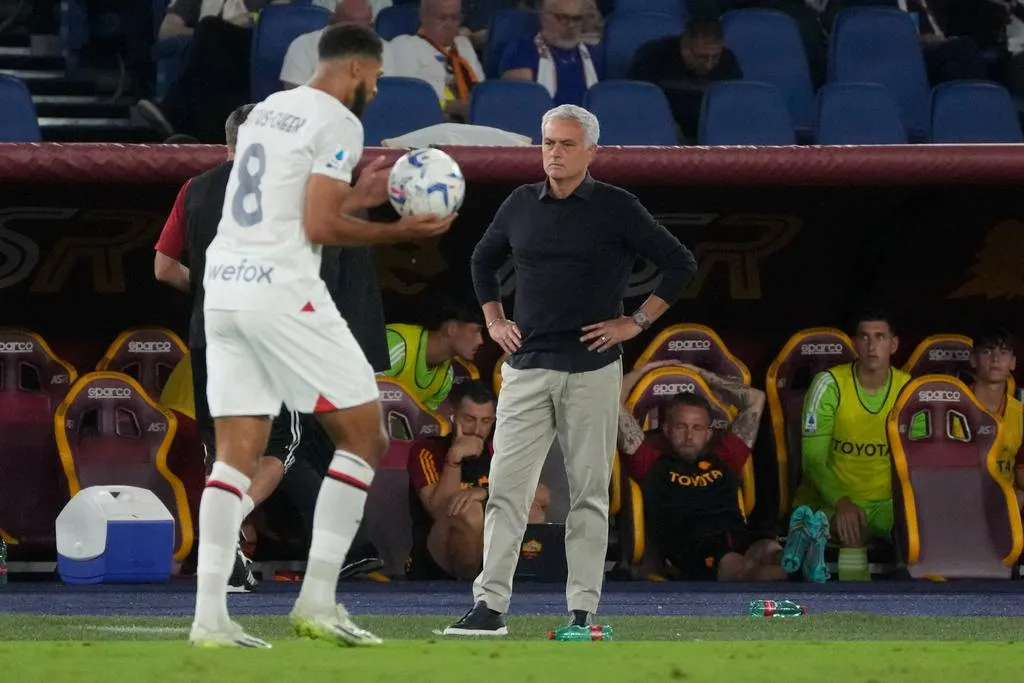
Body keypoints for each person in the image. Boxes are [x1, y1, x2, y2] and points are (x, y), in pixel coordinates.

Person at [191, 24, 456, 649]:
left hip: (224, 293)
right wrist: (400, 231)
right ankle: (316, 601)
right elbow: (317, 223)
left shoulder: (269, 110)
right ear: (360, 69)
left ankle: (209, 620)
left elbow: (292, 201)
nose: (376, 88)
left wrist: (356, 195)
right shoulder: (338, 120)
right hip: (281, 291)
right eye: (377, 77)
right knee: (366, 438)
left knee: (234, 457)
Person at [443, 104, 697, 636]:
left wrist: (636, 322)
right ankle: (490, 607)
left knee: (588, 493)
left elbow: (680, 263)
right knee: (507, 490)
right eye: (547, 143)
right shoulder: (519, 203)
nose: (553, 153)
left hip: (591, 370)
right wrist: (493, 321)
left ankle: (583, 610)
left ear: (590, 152)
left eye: (564, 144)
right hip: (527, 367)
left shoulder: (616, 206)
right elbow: (480, 260)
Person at [616, 361, 789, 582]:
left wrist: (699, 374)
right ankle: (799, 569)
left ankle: (796, 560)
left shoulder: (725, 456)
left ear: (708, 433)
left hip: (739, 535)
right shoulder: (649, 462)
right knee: (744, 568)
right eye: (681, 427)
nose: (689, 436)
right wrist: (643, 372)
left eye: (697, 428)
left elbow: (756, 399)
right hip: (693, 548)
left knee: (769, 549)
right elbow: (612, 401)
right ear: (666, 430)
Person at [789, 310, 911, 582]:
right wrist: (842, 501)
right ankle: (849, 606)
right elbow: (813, 460)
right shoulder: (829, 385)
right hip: (831, 500)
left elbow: (918, 461)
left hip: (886, 504)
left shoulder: (908, 389)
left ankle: (914, 603)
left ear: (893, 344)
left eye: (880, 337)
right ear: (854, 343)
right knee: (852, 527)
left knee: (917, 531)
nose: (871, 346)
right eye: (864, 337)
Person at [408, 380, 550, 580]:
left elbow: (543, 495)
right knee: (470, 511)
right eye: (469, 418)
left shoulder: (497, 451)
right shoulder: (428, 451)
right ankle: (466, 590)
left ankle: (517, 586)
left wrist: (486, 492)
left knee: (531, 510)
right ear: (453, 414)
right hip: (437, 556)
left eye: (486, 421)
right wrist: (454, 459)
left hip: (488, 553)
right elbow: (438, 510)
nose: (476, 429)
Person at [382, 298, 485, 411]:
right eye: (476, 331)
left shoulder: (446, 378)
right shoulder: (398, 344)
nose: (481, 341)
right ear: (452, 328)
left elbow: (420, 423)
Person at [967, 326, 1024, 509]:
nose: (995, 359)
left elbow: (1021, 472)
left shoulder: (1020, 413)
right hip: (964, 501)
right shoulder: (954, 405)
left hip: (1007, 505)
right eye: (987, 351)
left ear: (1013, 362)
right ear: (973, 359)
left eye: (1004, 352)